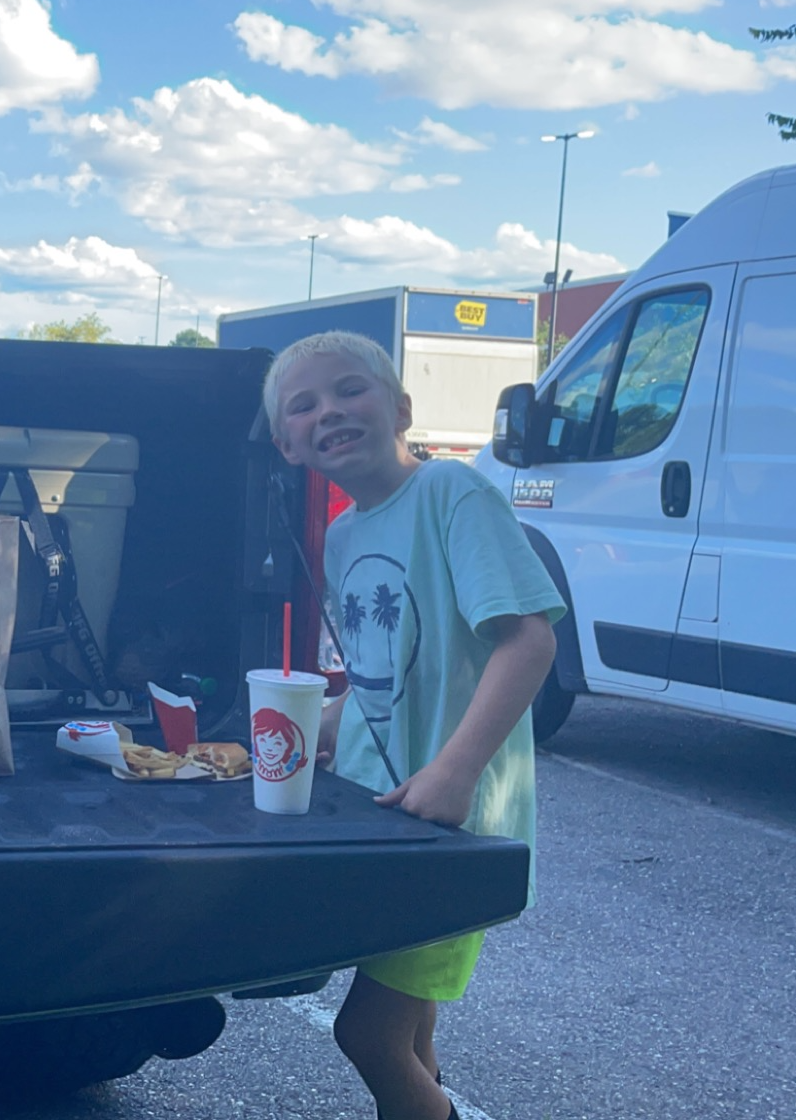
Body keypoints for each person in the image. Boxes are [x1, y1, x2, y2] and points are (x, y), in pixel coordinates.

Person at [264, 331, 562, 1120]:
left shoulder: (452, 494)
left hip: (450, 833)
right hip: (384, 821)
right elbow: (384, 672)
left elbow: (529, 641)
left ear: (399, 408)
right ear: (287, 443)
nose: (330, 411)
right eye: (304, 405)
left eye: (349, 390)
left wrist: (455, 771)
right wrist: (328, 721)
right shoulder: (345, 533)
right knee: (411, 1030)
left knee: (367, 1034)